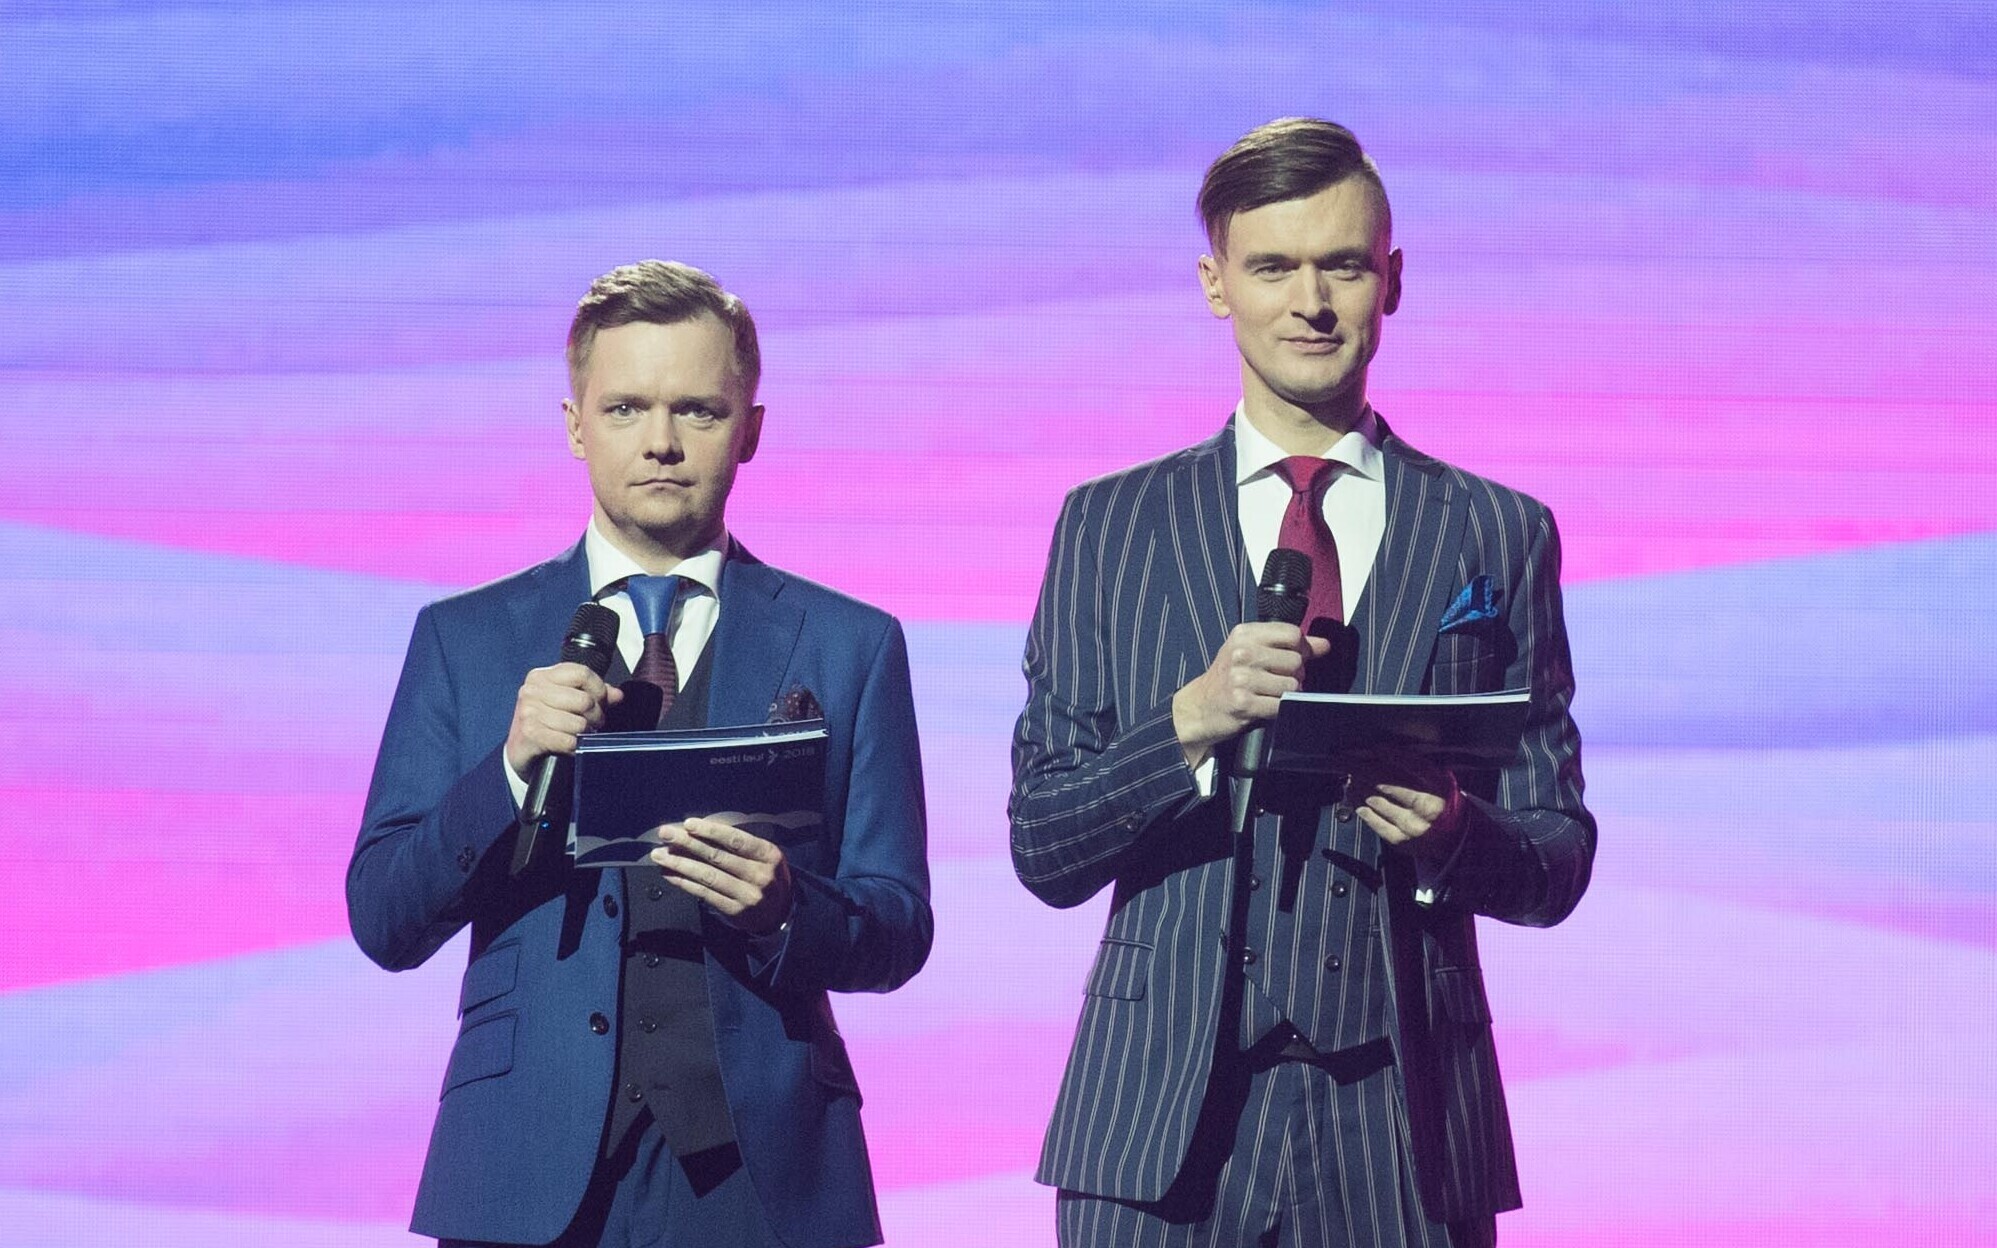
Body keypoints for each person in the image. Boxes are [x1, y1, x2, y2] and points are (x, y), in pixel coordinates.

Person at [1010, 118, 1595, 1247]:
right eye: (1273, 266)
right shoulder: (1110, 526)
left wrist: (1453, 832)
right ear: (1215, 285)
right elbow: (1043, 843)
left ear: (1392, 281)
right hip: (1154, 1124)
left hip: (1407, 1127)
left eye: (1342, 266)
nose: (1311, 302)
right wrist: (1188, 722)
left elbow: (1556, 857)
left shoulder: (1495, 531)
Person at [349, 260, 931, 1248]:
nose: (661, 442)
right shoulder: (466, 639)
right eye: (625, 408)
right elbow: (383, 918)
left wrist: (787, 906)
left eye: (697, 410)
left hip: (763, 1172)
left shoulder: (851, 645)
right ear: (576, 425)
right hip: (523, 1165)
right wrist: (507, 772)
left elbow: (898, 926)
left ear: (750, 429)